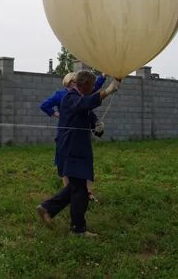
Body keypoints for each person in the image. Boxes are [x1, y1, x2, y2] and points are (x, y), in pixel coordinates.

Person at [36, 70, 120, 237]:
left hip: (78, 149)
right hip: (72, 150)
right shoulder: (69, 97)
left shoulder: (79, 98)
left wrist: (98, 128)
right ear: (83, 85)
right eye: (91, 86)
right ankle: (78, 229)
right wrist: (108, 90)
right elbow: (85, 103)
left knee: (76, 186)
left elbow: (87, 112)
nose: (93, 89)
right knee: (80, 190)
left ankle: (47, 208)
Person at [40, 71, 107, 201]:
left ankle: (86, 192)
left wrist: (103, 76)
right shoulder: (62, 95)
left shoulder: (82, 94)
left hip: (80, 135)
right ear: (71, 82)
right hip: (67, 135)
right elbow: (44, 105)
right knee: (67, 166)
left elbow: (94, 88)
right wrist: (56, 114)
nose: (79, 82)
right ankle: (69, 194)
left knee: (84, 165)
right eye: (76, 80)